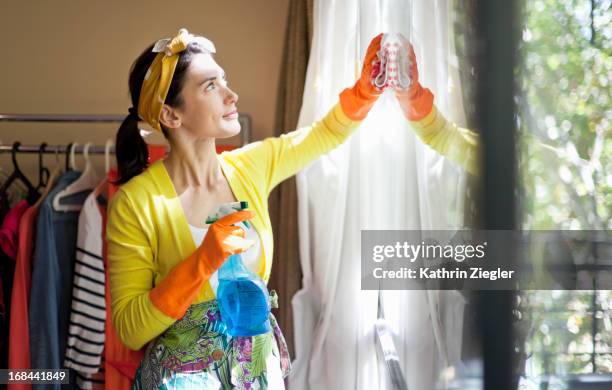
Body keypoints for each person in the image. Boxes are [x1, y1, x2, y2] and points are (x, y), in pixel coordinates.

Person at [106, 28, 387, 389]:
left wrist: (367, 90)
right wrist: (203, 260)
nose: (231, 95)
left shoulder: (251, 166)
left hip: (258, 376)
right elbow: (130, 329)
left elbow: (323, 135)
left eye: (225, 81)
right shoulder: (136, 204)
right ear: (171, 116)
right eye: (210, 87)